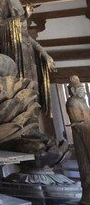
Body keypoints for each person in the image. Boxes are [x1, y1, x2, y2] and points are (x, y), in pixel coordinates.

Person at [66, 75, 90, 205]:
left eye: (83, 89)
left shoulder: (83, 102)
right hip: (82, 133)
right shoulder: (72, 102)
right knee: (86, 165)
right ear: (74, 91)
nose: (83, 92)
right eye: (80, 90)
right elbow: (77, 121)